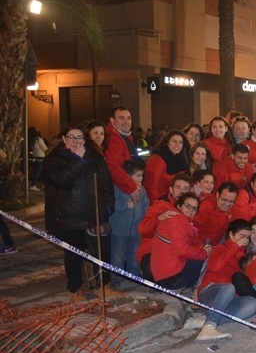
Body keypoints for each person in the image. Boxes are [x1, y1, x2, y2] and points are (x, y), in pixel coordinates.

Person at [43, 123, 115, 302]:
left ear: (85, 139)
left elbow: (106, 182)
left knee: (101, 252)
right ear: (64, 139)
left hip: (94, 215)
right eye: (71, 137)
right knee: (74, 254)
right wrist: (77, 159)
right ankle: (75, 289)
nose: (75, 141)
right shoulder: (54, 158)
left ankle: (104, 286)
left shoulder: (96, 156)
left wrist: (108, 206)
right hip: (69, 217)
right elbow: (61, 180)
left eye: (79, 137)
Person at [194, 219, 256, 341]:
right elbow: (215, 267)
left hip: (227, 299)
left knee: (252, 303)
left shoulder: (242, 256)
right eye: (242, 236)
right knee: (228, 288)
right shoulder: (221, 248)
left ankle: (207, 322)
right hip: (210, 291)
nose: (245, 240)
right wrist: (234, 246)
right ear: (231, 234)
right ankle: (210, 326)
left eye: (247, 237)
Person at [150, 193, 210, 290]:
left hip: (162, 274)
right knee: (204, 259)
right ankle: (196, 292)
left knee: (198, 255)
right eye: (188, 206)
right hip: (168, 276)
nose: (191, 210)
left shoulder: (181, 220)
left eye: (194, 208)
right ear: (179, 206)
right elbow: (181, 250)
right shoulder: (177, 220)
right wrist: (204, 253)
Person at [108, 158, 149, 295]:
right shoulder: (117, 188)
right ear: (127, 176)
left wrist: (143, 220)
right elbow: (111, 204)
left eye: (142, 175)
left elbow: (145, 206)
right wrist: (126, 205)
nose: (141, 178)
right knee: (117, 255)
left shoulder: (141, 190)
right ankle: (116, 278)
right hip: (118, 229)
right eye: (138, 175)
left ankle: (134, 274)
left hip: (135, 229)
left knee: (134, 252)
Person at [143, 130, 190, 202]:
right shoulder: (158, 159)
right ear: (167, 142)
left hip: (174, 198)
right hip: (159, 199)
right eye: (174, 141)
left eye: (180, 142)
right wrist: (156, 202)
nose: (177, 144)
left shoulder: (182, 158)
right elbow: (150, 184)